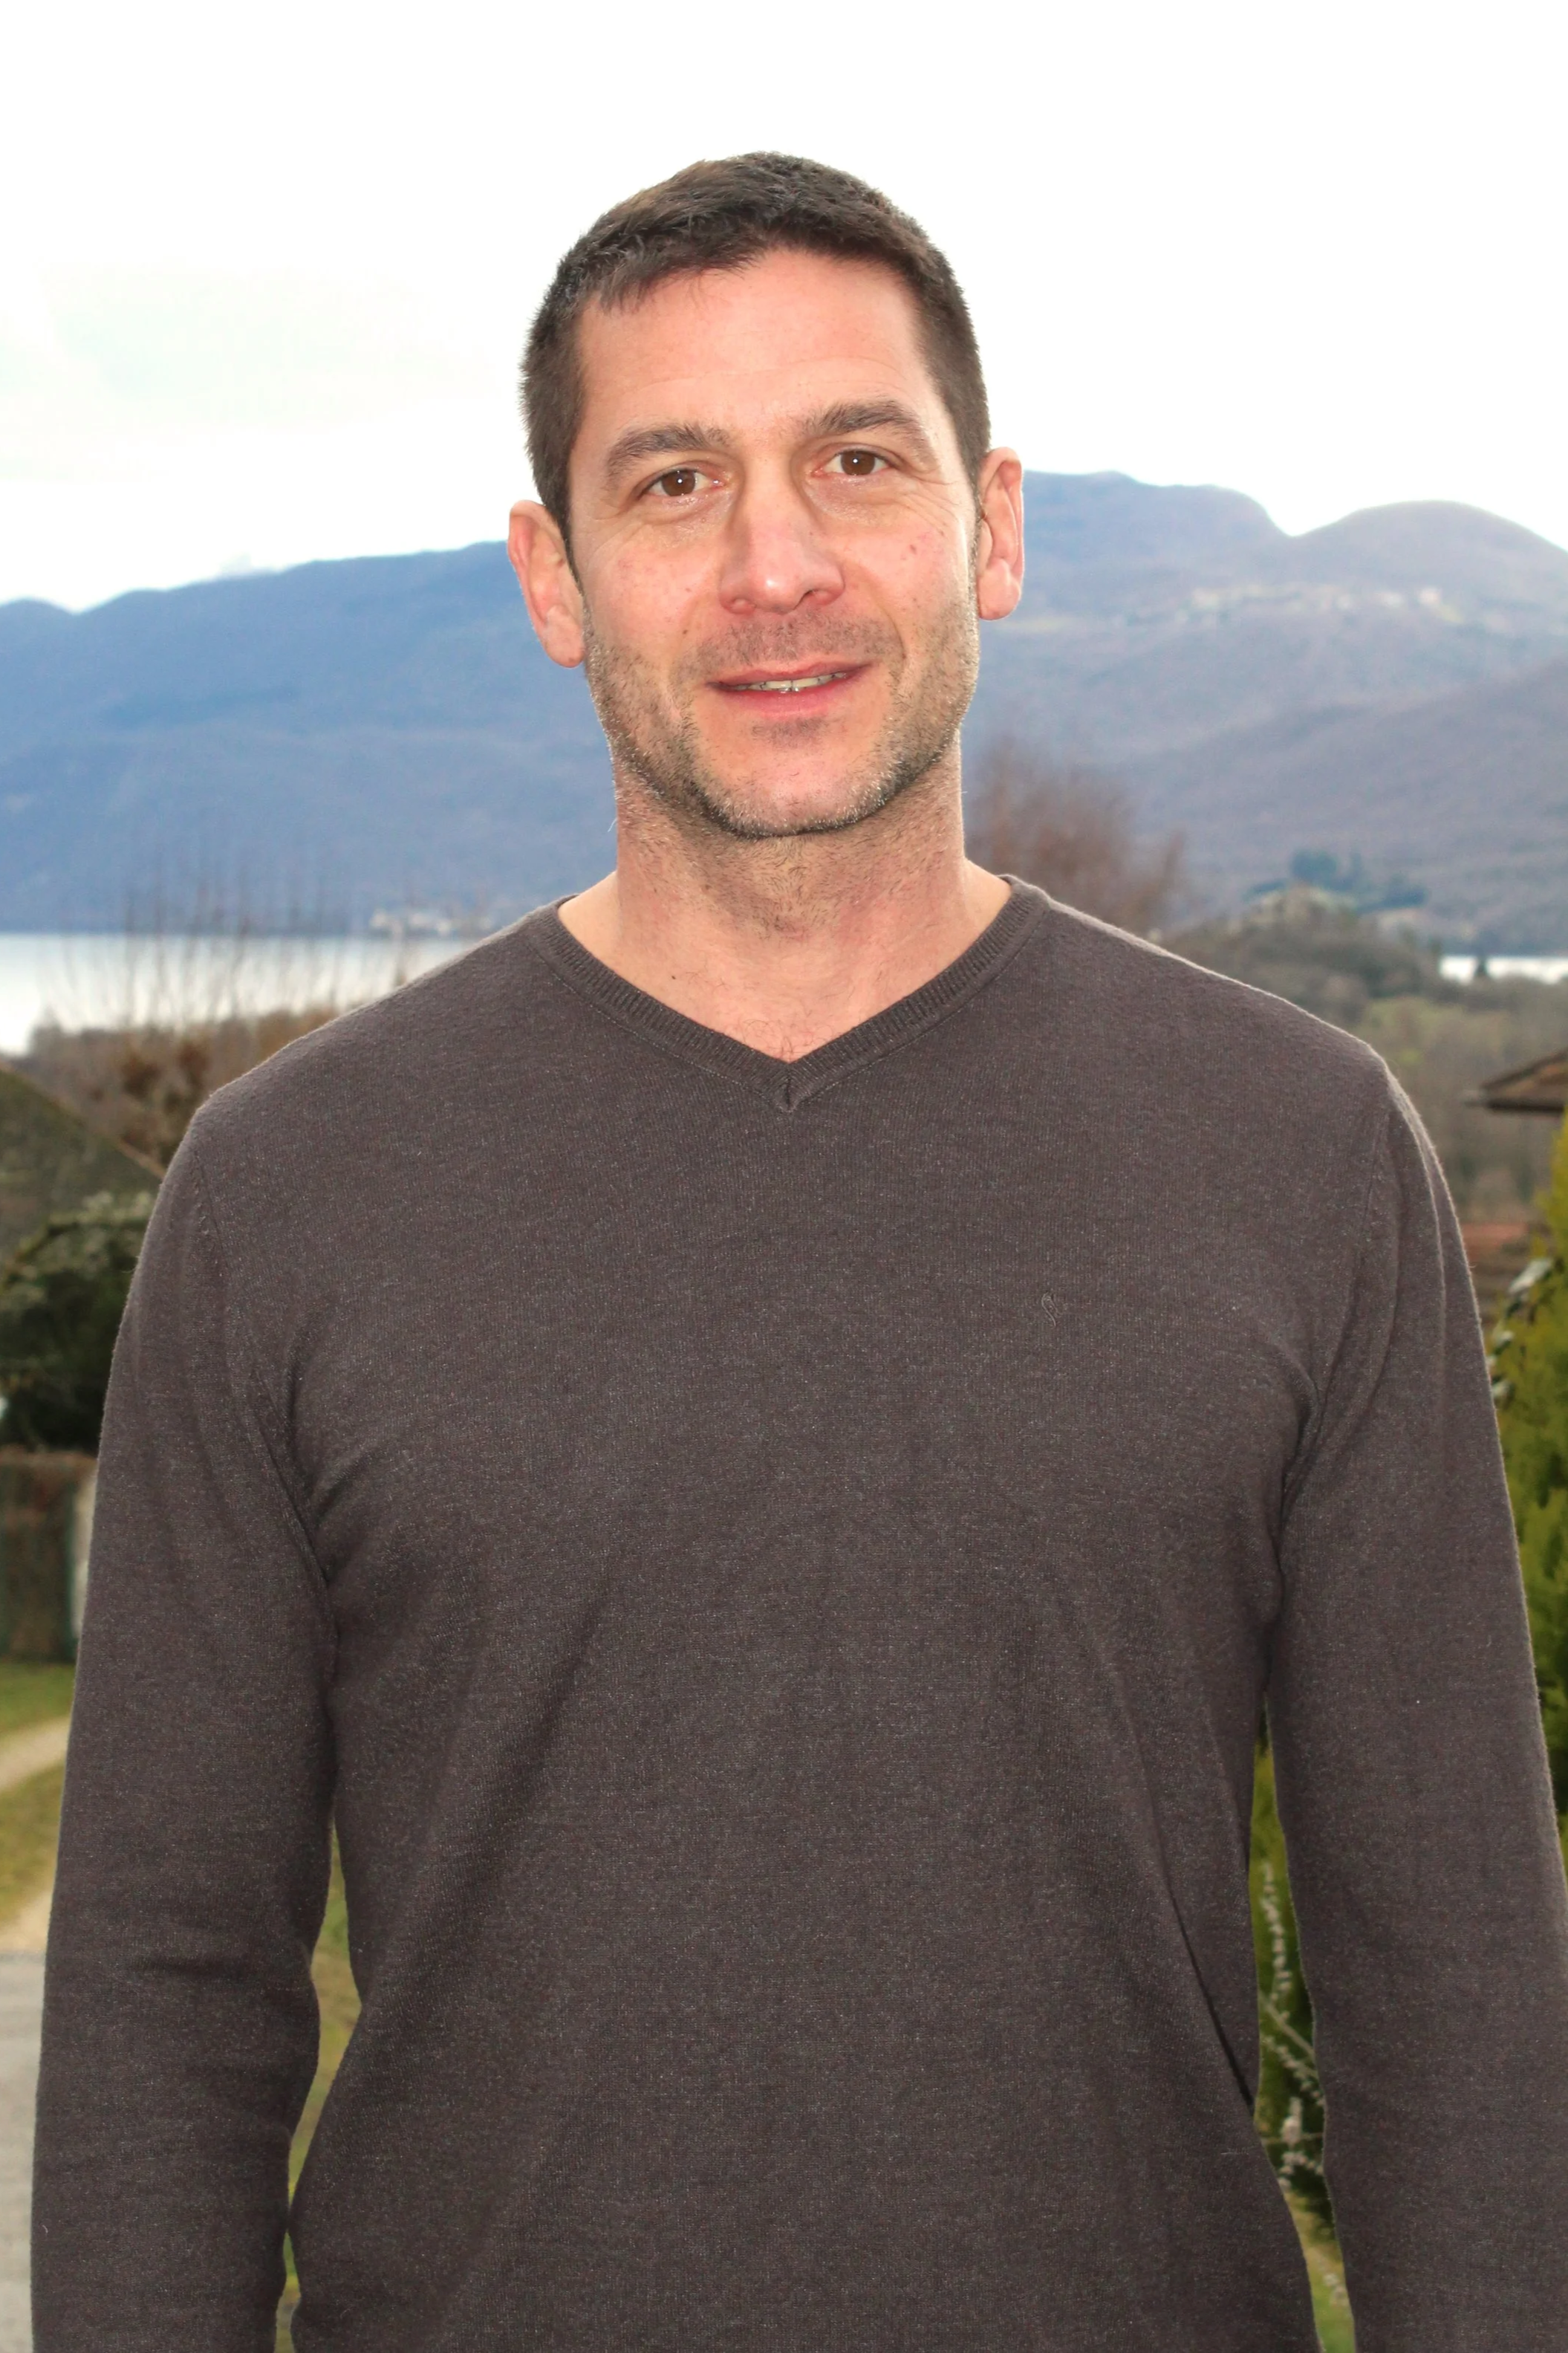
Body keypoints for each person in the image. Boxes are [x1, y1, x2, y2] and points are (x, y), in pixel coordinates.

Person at [33, 153, 1568, 2352]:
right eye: (672, 482)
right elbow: (167, 2003)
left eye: (857, 459)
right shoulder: (290, 1194)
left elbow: (1455, 1982)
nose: (776, 566)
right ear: (555, 578)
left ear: (992, 526)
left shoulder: (1297, 1154)